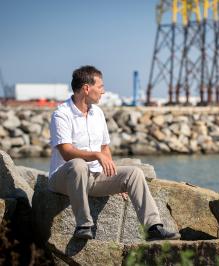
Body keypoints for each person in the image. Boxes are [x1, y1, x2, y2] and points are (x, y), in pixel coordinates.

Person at [48, 65, 180, 241]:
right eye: (100, 87)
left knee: (133, 173)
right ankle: (83, 225)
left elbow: (104, 149)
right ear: (87, 88)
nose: (103, 91)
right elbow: (66, 152)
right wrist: (96, 156)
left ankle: (153, 227)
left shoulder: (98, 113)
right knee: (78, 164)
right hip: (64, 179)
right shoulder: (61, 114)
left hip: (93, 177)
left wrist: (116, 179)